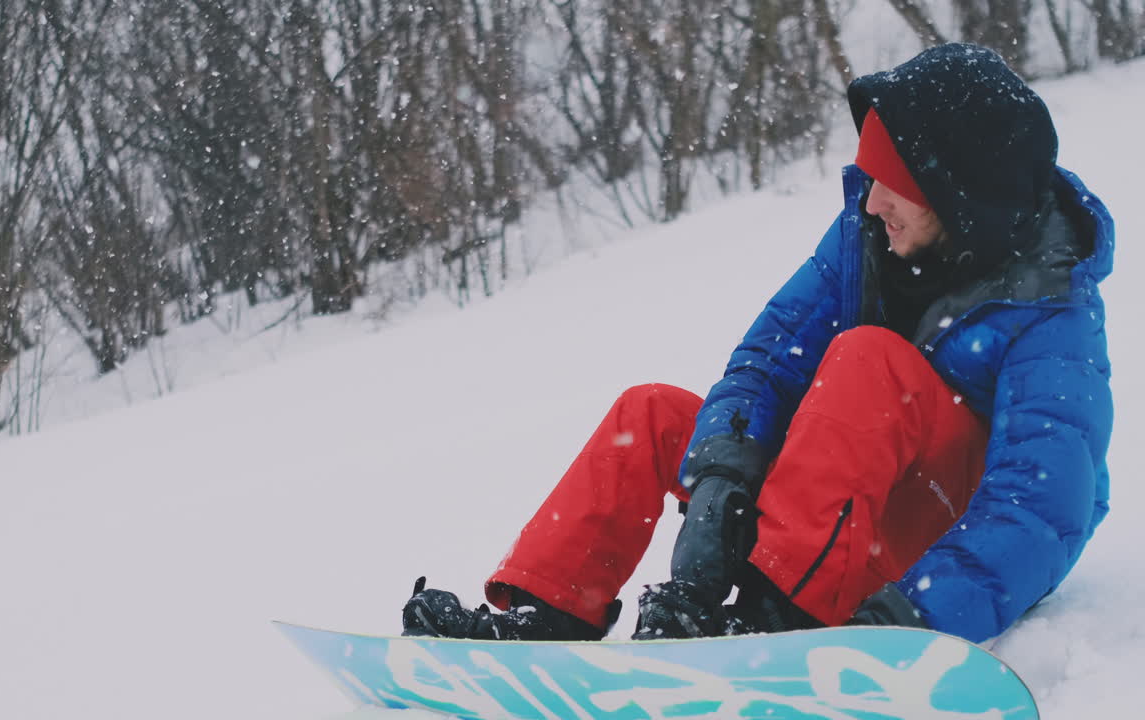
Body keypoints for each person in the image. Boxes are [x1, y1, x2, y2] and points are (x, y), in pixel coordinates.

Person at [401, 43, 1114, 645]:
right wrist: (722, 487)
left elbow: (1042, 510)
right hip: (830, 507)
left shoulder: (1052, 307)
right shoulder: (866, 238)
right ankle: (548, 612)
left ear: (957, 192)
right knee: (652, 416)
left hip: (926, 554)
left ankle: (779, 616)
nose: (871, 203)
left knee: (869, 360)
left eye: (893, 183)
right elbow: (768, 363)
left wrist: (914, 612)